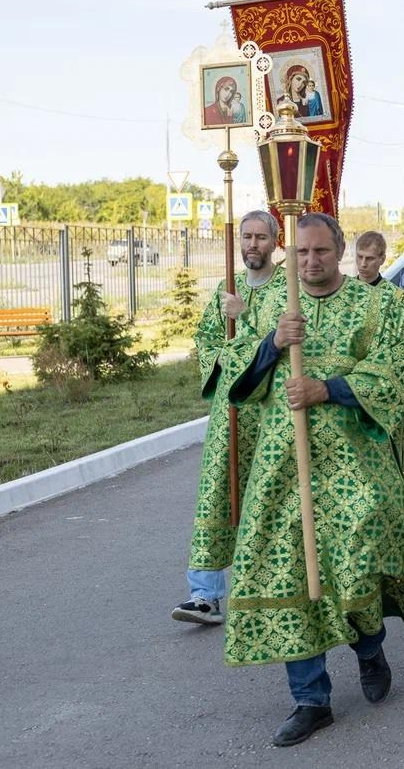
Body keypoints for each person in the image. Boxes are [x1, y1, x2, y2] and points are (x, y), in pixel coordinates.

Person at [225, 213, 404, 747]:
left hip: (354, 460)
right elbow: (236, 373)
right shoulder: (270, 303)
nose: (310, 261)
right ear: (289, 256)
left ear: (340, 252)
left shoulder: (377, 304)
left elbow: (394, 370)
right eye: (301, 253)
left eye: (320, 251)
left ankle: (369, 646)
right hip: (282, 463)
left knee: (357, 559)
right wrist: (271, 344)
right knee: (286, 573)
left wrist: (328, 389)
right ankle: (310, 699)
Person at [172, 210, 283, 627]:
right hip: (230, 409)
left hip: (270, 410)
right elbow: (207, 337)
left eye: (260, 237)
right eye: (246, 237)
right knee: (217, 492)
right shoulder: (226, 286)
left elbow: (285, 342)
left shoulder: (285, 289)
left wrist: (245, 315)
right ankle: (204, 594)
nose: (252, 244)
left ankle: (271, 586)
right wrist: (224, 356)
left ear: (275, 242)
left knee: (270, 494)